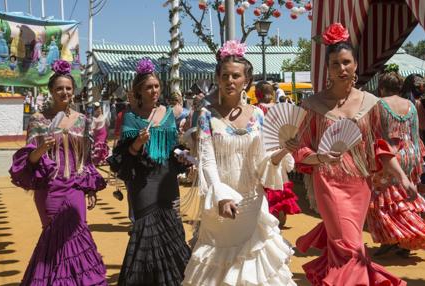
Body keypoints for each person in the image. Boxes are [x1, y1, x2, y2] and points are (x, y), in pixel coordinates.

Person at [286, 23, 413, 285]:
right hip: (328, 182)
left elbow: (382, 146)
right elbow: (300, 148)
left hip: (360, 183)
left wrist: (402, 176)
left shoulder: (372, 104)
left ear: (355, 65)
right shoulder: (312, 105)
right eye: (335, 64)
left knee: (344, 242)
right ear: (328, 68)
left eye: (346, 62)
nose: (341, 68)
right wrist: (320, 157)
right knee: (349, 244)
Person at [182, 40, 296, 286]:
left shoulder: (257, 115)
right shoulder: (206, 115)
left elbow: (263, 158)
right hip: (221, 204)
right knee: (218, 269)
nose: (230, 80)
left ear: (247, 81)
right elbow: (207, 159)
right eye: (225, 76)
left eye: (236, 76)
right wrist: (221, 196)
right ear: (218, 78)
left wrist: (283, 151)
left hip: (252, 201)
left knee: (253, 269)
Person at [9, 60, 107, 285]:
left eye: (68, 88)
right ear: (51, 91)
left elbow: (85, 158)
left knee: (77, 236)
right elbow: (29, 161)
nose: (64, 92)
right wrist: (42, 148)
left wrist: (90, 189)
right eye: (59, 88)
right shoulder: (38, 120)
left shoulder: (82, 120)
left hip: (75, 187)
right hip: (50, 189)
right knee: (54, 239)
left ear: (73, 92)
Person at [109, 58, 191, 286]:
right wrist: (137, 142)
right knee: (147, 230)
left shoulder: (166, 113)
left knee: (172, 229)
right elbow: (124, 158)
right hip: (143, 183)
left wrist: (181, 155)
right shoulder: (130, 117)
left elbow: (173, 145)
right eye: (148, 87)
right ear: (139, 91)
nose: (154, 90)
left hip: (166, 179)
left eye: (156, 86)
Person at [367, 70, 425, 258]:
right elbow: (417, 133)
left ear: (382, 88)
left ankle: (392, 238)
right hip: (411, 153)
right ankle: (404, 241)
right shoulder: (411, 104)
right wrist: (417, 158)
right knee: (405, 197)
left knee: (383, 200)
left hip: (390, 156)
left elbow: (376, 133)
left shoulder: (379, 104)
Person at [254, 80, 301, 227]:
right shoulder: (279, 108)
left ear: (258, 93)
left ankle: (267, 217)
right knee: (281, 181)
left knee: (265, 183)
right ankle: (281, 217)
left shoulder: (255, 109)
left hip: (263, 150)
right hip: (281, 149)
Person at [91, 102, 110, 166]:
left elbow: (107, 125)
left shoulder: (104, 117)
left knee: (103, 146)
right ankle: (97, 160)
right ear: (95, 110)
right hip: (97, 134)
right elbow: (93, 128)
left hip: (103, 133)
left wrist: (107, 133)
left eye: (99, 109)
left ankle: (102, 159)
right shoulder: (94, 118)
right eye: (97, 109)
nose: (99, 110)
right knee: (98, 146)